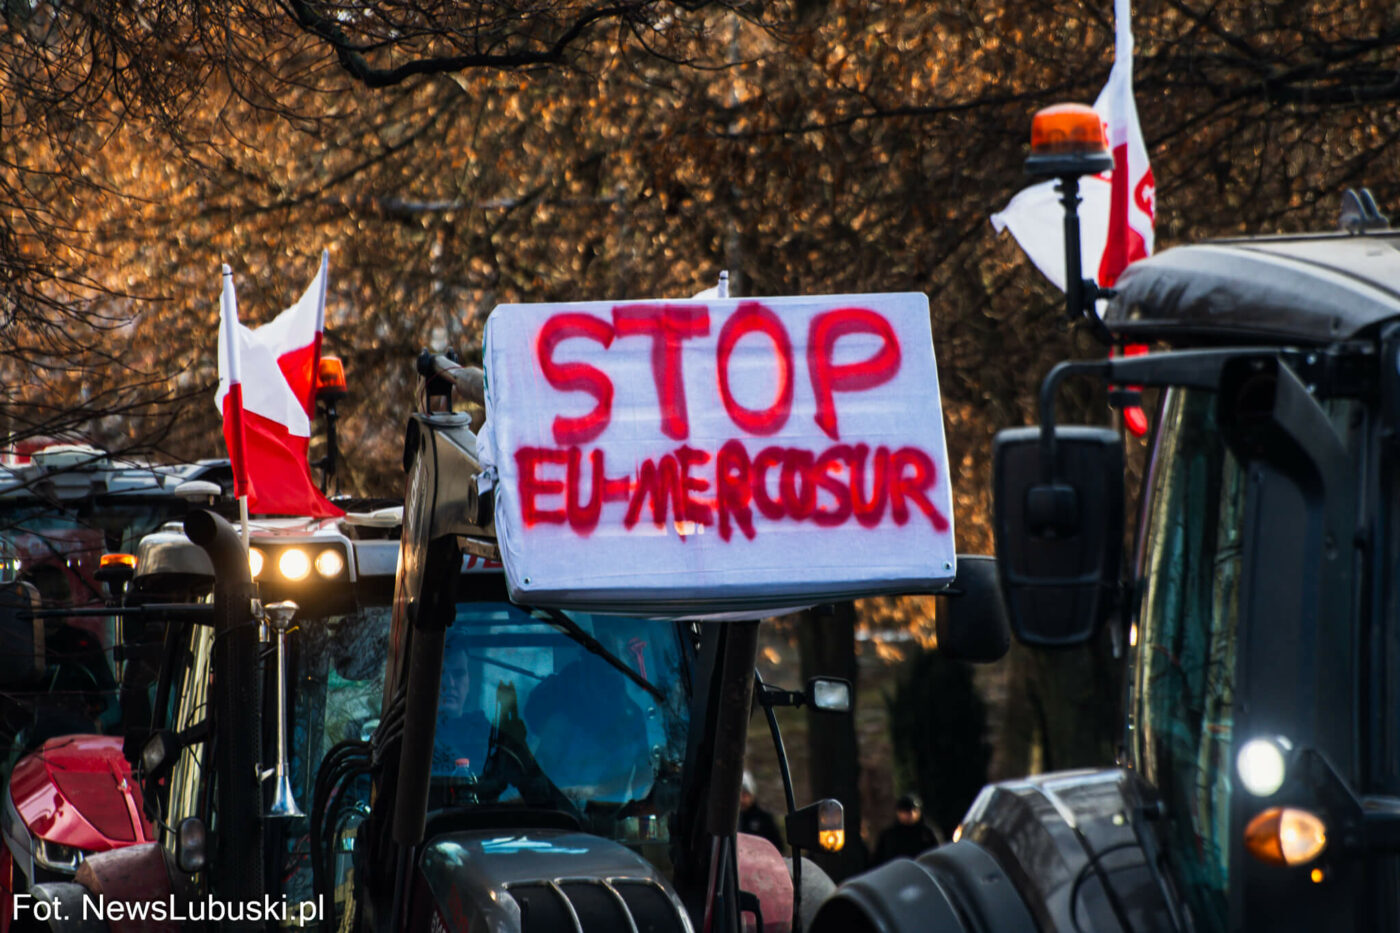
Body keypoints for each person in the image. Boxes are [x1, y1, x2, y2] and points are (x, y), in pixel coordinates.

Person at [433, 638, 492, 777]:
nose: (450, 683)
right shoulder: (411, 736)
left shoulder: (490, 738)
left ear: (469, 682)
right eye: (441, 673)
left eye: (458, 674)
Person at [873, 793, 943, 864]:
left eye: (915, 810)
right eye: (907, 812)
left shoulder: (927, 833)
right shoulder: (889, 835)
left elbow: (939, 853)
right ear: (899, 813)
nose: (912, 814)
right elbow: (878, 860)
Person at [738, 771, 784, 852]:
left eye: (744, 795)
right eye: (738, 795)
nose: (741, 800)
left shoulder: (764, 818)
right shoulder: (730, 820)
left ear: (752, 795)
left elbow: (778, 847)